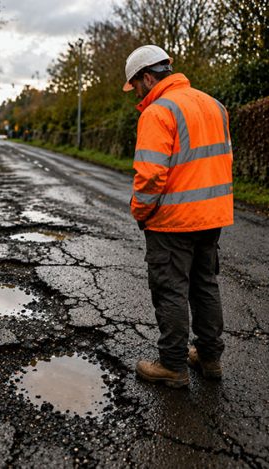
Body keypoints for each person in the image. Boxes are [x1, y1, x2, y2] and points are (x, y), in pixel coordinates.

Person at [124, 45, 233, 388]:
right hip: (212, 216)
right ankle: (210, 358)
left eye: (135, 85)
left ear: (146, 77)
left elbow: (150, 176)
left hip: (172, 220)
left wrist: (141, 212)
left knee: (170, 290)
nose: (136, 93)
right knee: (204, 285)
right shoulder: (214, 105)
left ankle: (172, 366)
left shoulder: (158, 112)